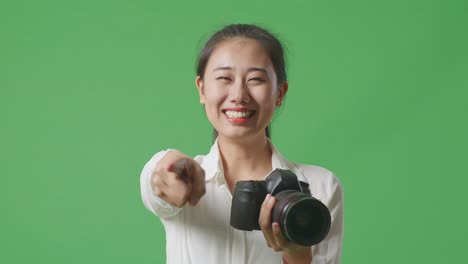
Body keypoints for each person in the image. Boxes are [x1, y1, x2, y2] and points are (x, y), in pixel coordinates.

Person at [140, 24, 344, 264]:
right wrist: (168, 167)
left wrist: (297, 255)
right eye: (224, 78)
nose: (239, 95)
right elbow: (158, 186)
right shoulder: (185, 180)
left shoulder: (320, 187)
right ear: (202, 89)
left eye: (256, 79)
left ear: (280, 93)